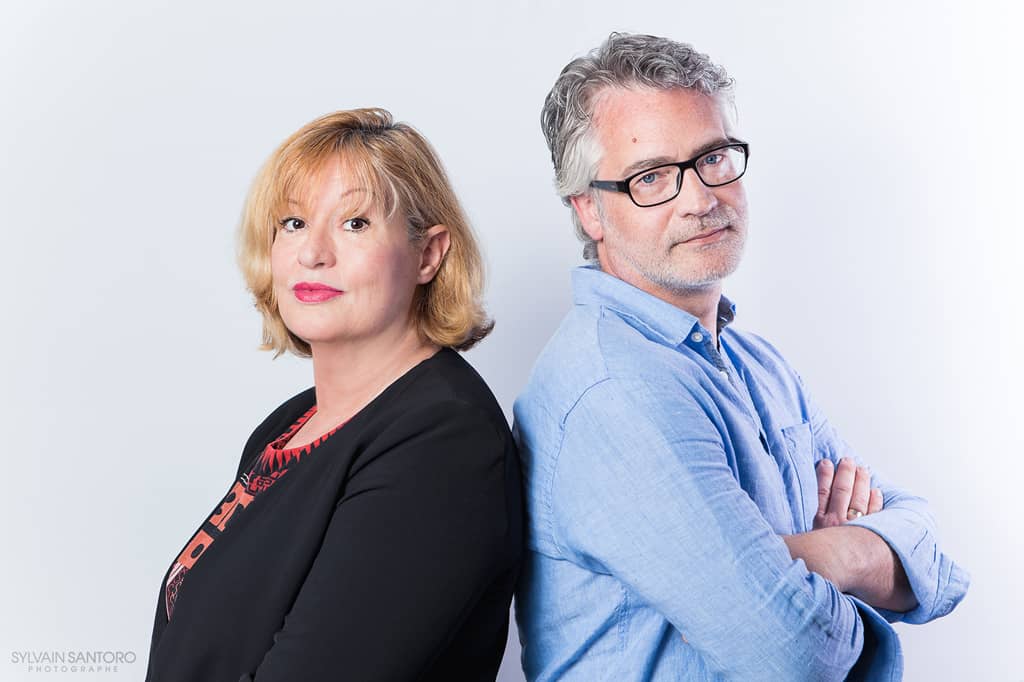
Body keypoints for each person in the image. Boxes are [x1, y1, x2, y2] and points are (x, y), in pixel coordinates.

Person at [513, 33, 968, 680]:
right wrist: (860, 562)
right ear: (590, 209)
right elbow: (792, 652)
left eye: (714, 158)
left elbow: (940, 566)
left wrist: (827, 558)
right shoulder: (613, 389)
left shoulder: (758, 364)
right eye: (652, 178)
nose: (700, 199)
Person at [145, 108, 523, 682]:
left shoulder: (443, 444)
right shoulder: (289, 425)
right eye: (293, 222)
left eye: (355, 223)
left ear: (428, 254)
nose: (312, 252)